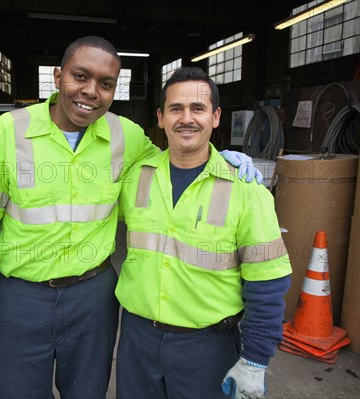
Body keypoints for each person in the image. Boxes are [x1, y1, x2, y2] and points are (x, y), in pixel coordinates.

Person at [0, 37, 260, 399]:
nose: (89, 92)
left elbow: (173, 158)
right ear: (58, 76)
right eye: (80, 76)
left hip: (92, 297)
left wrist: (219, 156)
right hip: (22, 297)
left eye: (105, 84)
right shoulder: (8, 131)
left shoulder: (125, 135)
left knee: (86, 392)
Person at [114, 66, 292, 399]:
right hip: (137, 341)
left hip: (207, 347)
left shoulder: (246, 188)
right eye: (176, 109)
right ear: (161, 117)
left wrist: (255, 359)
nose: (187, 118)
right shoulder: (135, 176)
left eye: (198, 109)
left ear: (216, 117)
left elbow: (267, 281)